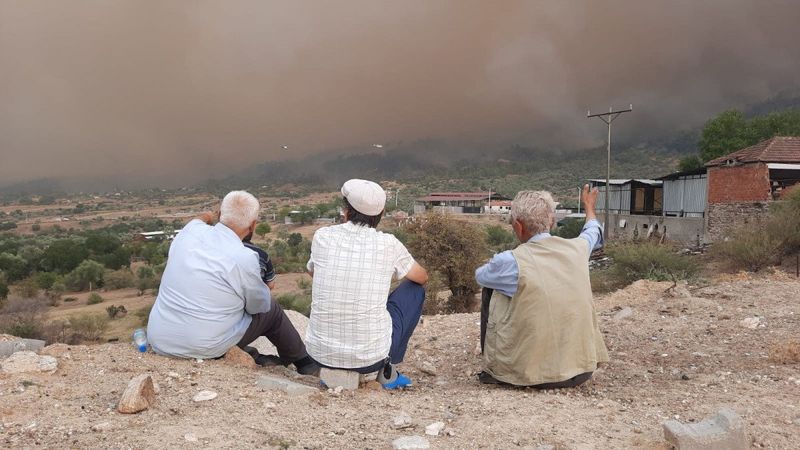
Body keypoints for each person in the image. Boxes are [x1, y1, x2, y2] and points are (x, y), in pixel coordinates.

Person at [147, 190, 318, 375]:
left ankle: (252, 355)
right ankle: (302, 362)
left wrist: (207, 216)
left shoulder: (189, 232)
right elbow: (258, 307)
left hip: (159, 340)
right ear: (253, 225)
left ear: (220, 215)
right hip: (204, 348)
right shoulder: (244, 257)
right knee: (271, 309)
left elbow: (198, 220)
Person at [475, 184, 609, 388]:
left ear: (518, 226)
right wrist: (589, 207)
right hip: (582, 371)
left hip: (530, 376)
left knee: (493, 288)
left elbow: (481, 277)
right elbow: (593, 231)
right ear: (552, 222)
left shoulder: (512, 260)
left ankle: (495, 368)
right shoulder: (578, 249)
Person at [305, 179, 429, 389]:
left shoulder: (322, 236)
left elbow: (312, 271)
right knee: (414, 290)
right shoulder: (388, 243)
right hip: (369, 359)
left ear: (346, 211)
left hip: (320, 354)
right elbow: (421, 277)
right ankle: (388, 369)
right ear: (380, 215)